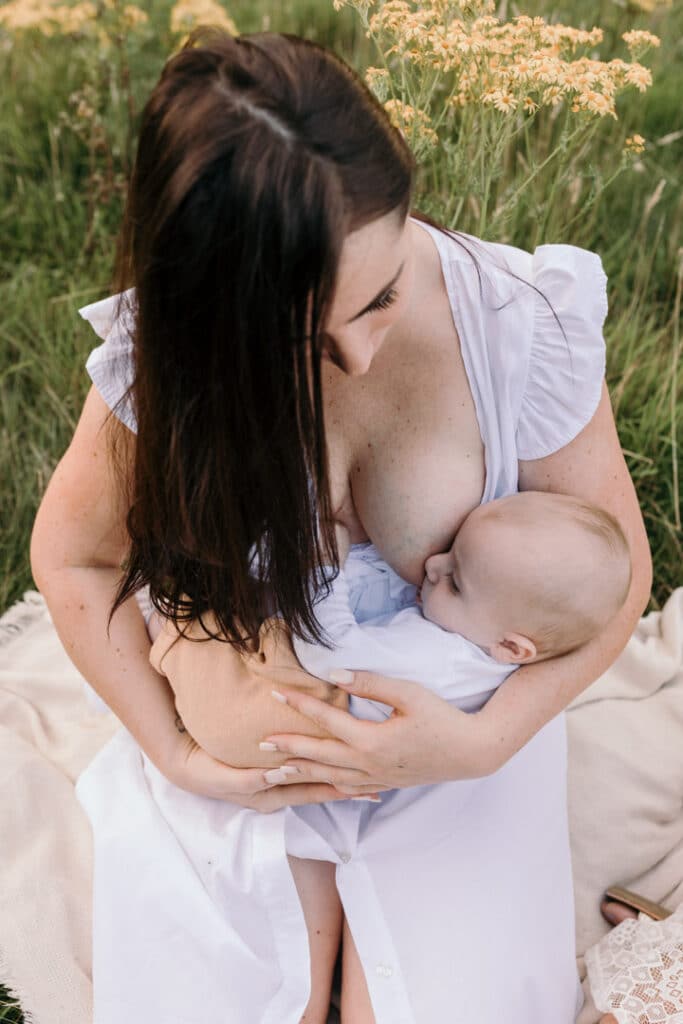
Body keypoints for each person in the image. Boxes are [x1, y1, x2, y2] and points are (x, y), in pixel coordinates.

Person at [29, 27, 652, 1024]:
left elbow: (615, 576)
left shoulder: (515, 319)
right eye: (298, 334)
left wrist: (482, 744)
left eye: (382, 297)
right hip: (248, 765)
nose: (358, 359)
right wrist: (174, 753)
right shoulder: (173, 357)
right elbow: (75, 557)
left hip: (456, 753)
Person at [146, 490, 634, 768]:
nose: (435, 565)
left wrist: (325, 568)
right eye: (452, 549)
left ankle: (165, 632)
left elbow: (331, 655)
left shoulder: (436, 660)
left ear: (511, 646)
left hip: (283, 713)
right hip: (326, 694)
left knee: (214, 657)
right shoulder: (479, 631)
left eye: (457, 581)